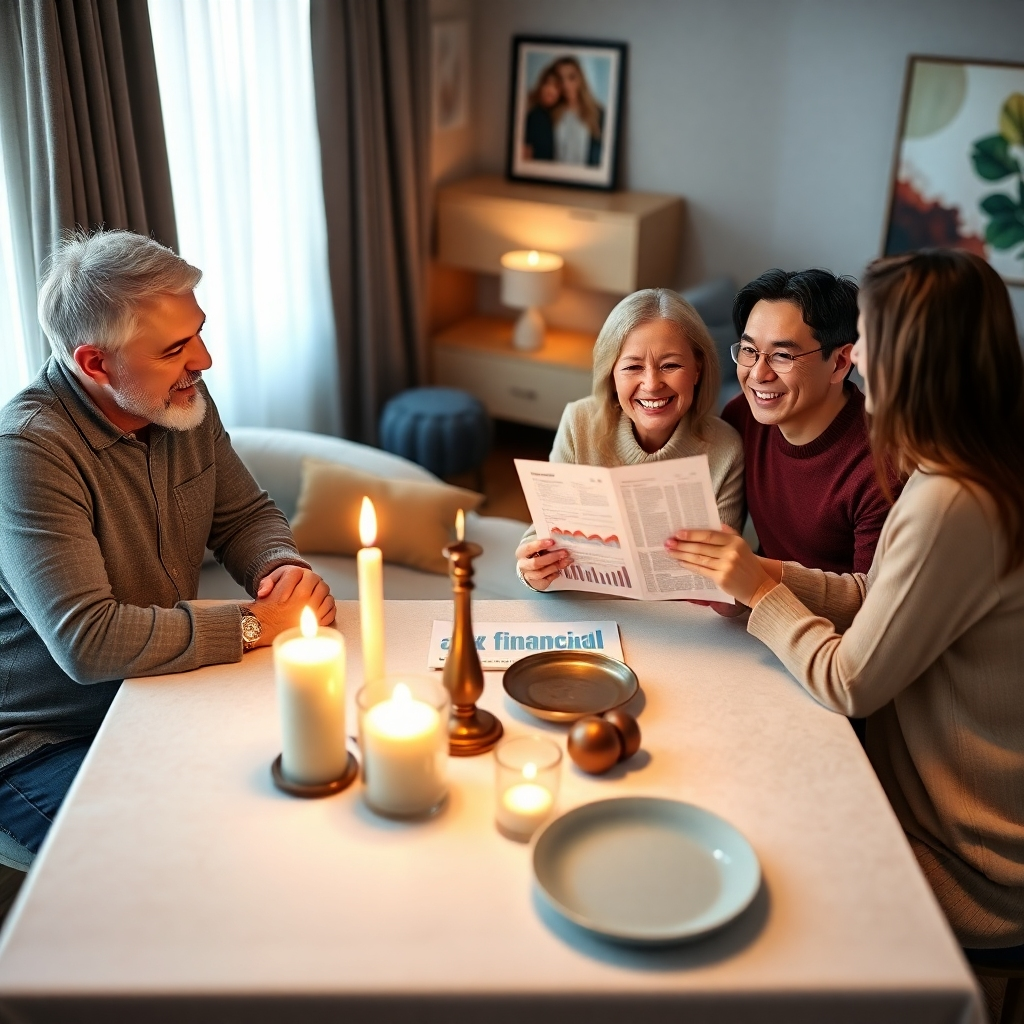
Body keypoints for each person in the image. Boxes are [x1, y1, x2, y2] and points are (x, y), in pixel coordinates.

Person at [666, 251, 1024, 969]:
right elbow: (876, 594)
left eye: (870, 340)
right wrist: (764, 573)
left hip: (965, 852)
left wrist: (764, 595)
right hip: (927, 796)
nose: (860, 358)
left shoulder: (947, 498)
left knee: (745, 881)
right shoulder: (957, 464)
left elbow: (851, 680)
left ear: (910, 356)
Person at [0, 230, 335, 886]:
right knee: (183, 877)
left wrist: (279, 568)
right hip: (44, 744)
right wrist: (253, 624)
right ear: (94, 363)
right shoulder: (28, 453)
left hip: (155, 694)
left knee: (296, 811)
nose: (204, 360)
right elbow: (88, 641)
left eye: (199, 333)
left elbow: (242, 516)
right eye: (176, 348)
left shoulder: (177, 402)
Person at [516, 288, 744, 590]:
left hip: (679, 619)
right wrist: (532, 570)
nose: (651, 384)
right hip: (590, 612)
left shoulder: (725, 449)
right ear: (612, 374)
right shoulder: (578, 422)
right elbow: (542, 535)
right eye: (633, 367)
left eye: (670, 365)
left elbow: (726, 581)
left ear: (697, 370)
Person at [721, 269, 897, 575]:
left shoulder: (882, 469)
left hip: (829, 623)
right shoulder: (742, 417)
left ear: (840, 363)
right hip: (754, 611)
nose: (758, 374)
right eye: (749, 350)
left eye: (782, 356)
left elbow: (872, 609)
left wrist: (753, 579)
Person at [552, 56, 603, 167]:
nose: (566, 85)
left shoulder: (598, 113)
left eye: (571, 77)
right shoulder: (551, 113)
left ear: (580, 79)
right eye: (560, 79)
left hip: (586, 179)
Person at [522, 65, 560, 161]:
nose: (550, 90)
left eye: (556, 87)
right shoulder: (533, 115)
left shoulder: (557, 117)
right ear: (541, 86)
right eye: (547, 84)